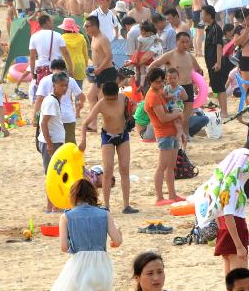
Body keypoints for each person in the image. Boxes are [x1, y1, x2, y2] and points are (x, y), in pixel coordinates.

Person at [78, 82, 137, 214]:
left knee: (124, 169)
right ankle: (107, 205)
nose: (110, 102)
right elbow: (85, 123)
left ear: (117, 94)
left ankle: (126, 205)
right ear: (104, 95)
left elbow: (134, 109)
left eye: (113, 99)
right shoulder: (101, 104)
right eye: (108, 99)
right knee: (108, 170)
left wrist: (133, 109)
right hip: (107, 137)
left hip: (123, 136)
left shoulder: (124, 99)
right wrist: (83, 140)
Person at [142, 68, 183, 206]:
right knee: (162, 166)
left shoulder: (158, 91)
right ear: (151, 81)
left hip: (171, 131)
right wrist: (177, 115)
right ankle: (159, 197)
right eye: (158, 82)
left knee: (171, 166)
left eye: (162, 81)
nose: (161, 84)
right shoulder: (152, 96)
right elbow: (163, 118)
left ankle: (172, 194)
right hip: (163, 133)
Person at [37, 70, 69, 212]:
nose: (65, 88)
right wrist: (50, 144)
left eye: (66, 85)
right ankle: (51, 206)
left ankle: (54, 205)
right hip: (51, 142)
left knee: (56, 173)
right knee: (52, 174)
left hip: (54, 141)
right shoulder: (51, 101)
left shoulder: (54, 100)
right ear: (54, 85)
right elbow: (43, 124)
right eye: (62, 85)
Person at [202, 6, 230, 118]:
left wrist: (218, 62)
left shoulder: (216, 28)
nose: (202, 16)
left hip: (215, 62)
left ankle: (224, 111)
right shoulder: (209, 28)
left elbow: (219, 46)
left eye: (203, 14)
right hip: (210, 62)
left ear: (209, 15)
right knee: (216, 87)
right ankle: (222, 109)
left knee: (220, 87)